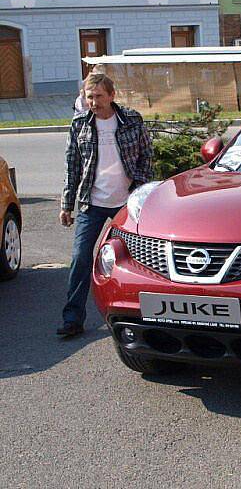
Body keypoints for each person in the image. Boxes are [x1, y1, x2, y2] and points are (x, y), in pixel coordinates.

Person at [58, 72, 153, 338]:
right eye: (89, 97)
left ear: (112, 96)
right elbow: (72, 166)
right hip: (93, 203)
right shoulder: (80, 124)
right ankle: (72, 319)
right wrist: (67, 204)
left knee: (139, 260)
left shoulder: (131, 120)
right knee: (79, 258)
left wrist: (139, 189)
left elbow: (147, 155)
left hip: (126, 203)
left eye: (99, 96)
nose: (94, 102)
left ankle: (140, 316)